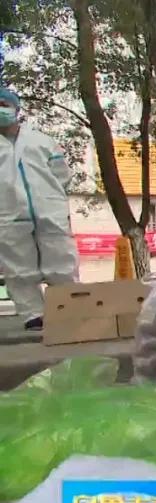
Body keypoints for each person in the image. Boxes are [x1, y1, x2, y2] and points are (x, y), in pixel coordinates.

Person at [0, 87, 78, 330]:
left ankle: (69, 310)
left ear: (16, 108)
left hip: (49, 212)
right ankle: (33, 315)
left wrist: (52, 200)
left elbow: (62, 175)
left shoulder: (41, 141)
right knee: (18, 269)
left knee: (61, 263)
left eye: (3, 103)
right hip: (8, 215)